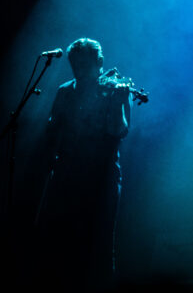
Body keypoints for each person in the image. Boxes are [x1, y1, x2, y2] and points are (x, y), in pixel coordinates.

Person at [35, 37, 131, 289]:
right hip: (66, 176)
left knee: (98, 245)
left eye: (85, 66)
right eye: (75, 66)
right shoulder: (66, 91)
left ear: (100, 63)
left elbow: (118, 131)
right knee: (57, 243)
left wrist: (120, 102)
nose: (79, 72)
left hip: (102, 178)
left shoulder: (116, 90)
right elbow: (51, 132)